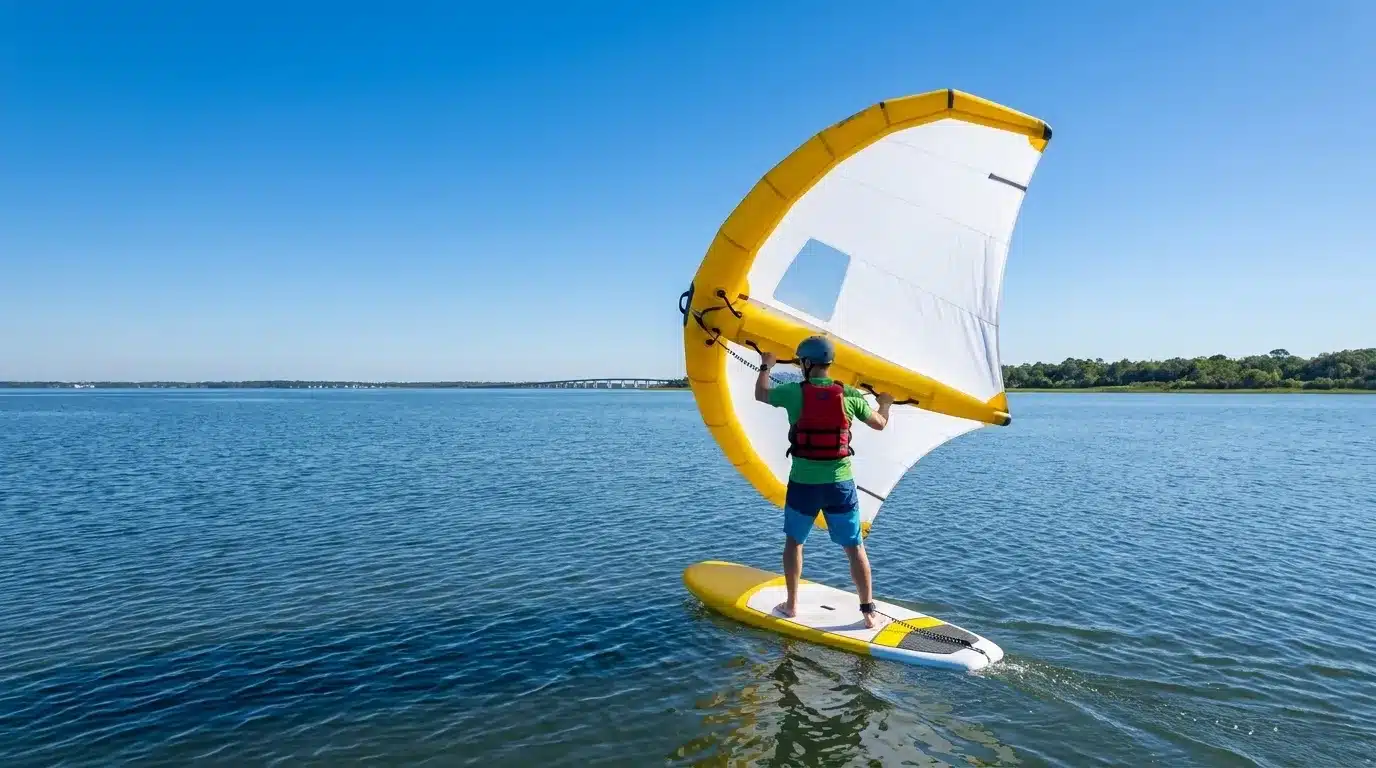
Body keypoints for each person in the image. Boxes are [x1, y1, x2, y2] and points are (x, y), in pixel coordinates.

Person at [756, 335, 894, 629]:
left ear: (806, 363)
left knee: (794, 542)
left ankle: (792, 605)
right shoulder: (849, 396)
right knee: (854, 546)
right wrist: (885, 403)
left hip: (803, 484)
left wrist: (765, 366)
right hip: (839, 485)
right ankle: (868, 612)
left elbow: (762, 394)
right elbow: (880, 424)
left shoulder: (794, 392)